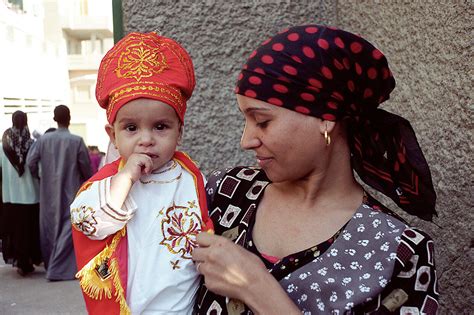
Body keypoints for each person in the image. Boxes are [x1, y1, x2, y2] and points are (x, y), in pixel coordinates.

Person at [192, 25, 439, 314]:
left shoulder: (398, 252)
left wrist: (256, 287)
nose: (246, 140)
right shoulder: (223, 195)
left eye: (262, 121)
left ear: (325, 118)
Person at [70, 32, 213, 315]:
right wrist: (126, 180)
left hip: (182, 307)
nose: (146, 139)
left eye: (160, 127)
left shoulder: (192, 179)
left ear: (179, 132)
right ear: (112, 135)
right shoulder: (111, 182)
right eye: (131, 128)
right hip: (131, 308)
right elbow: (86, 221)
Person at [27, 105, 92, 281]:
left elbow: (31, 162)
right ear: (69, 118)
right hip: (71, 191)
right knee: (67, 229)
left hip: (48, 192)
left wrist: (40, 178)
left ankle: (52, 265)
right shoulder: (76, 141)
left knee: (49, 228)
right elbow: (86, 169)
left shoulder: (43, 140)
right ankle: (59, 269)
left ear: (55, 119)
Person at [0, 111, 42, 276]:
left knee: (14, 231)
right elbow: (38, 169)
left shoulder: (4, 146)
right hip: (31, 196)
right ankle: (28, 261)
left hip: (10, 196)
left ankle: (18, 260)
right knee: (29, 230)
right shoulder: (32, 143)